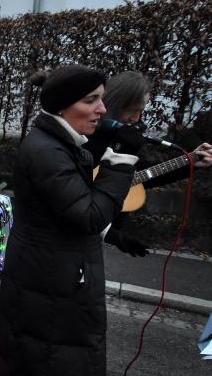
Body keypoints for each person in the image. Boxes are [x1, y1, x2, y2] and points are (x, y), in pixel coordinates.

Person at [0, 65, 138, 376]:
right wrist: (119, 164)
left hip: (51, 281)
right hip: (49, 287)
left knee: (39, 372)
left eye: (101, 99)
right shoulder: (47, 151)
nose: (102, 109)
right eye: (91, 100)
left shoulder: (63, 143)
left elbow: (72, 208)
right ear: (63, 106)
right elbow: (88, 214)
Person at [83, 71, 212, 257]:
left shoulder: (130, 135)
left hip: (101, 232)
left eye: (140, 110)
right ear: (118, 103)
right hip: (84, 231)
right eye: (133, 110)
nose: (136, 118)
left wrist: (190, 163)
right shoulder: (88, 136)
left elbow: (144, 176)